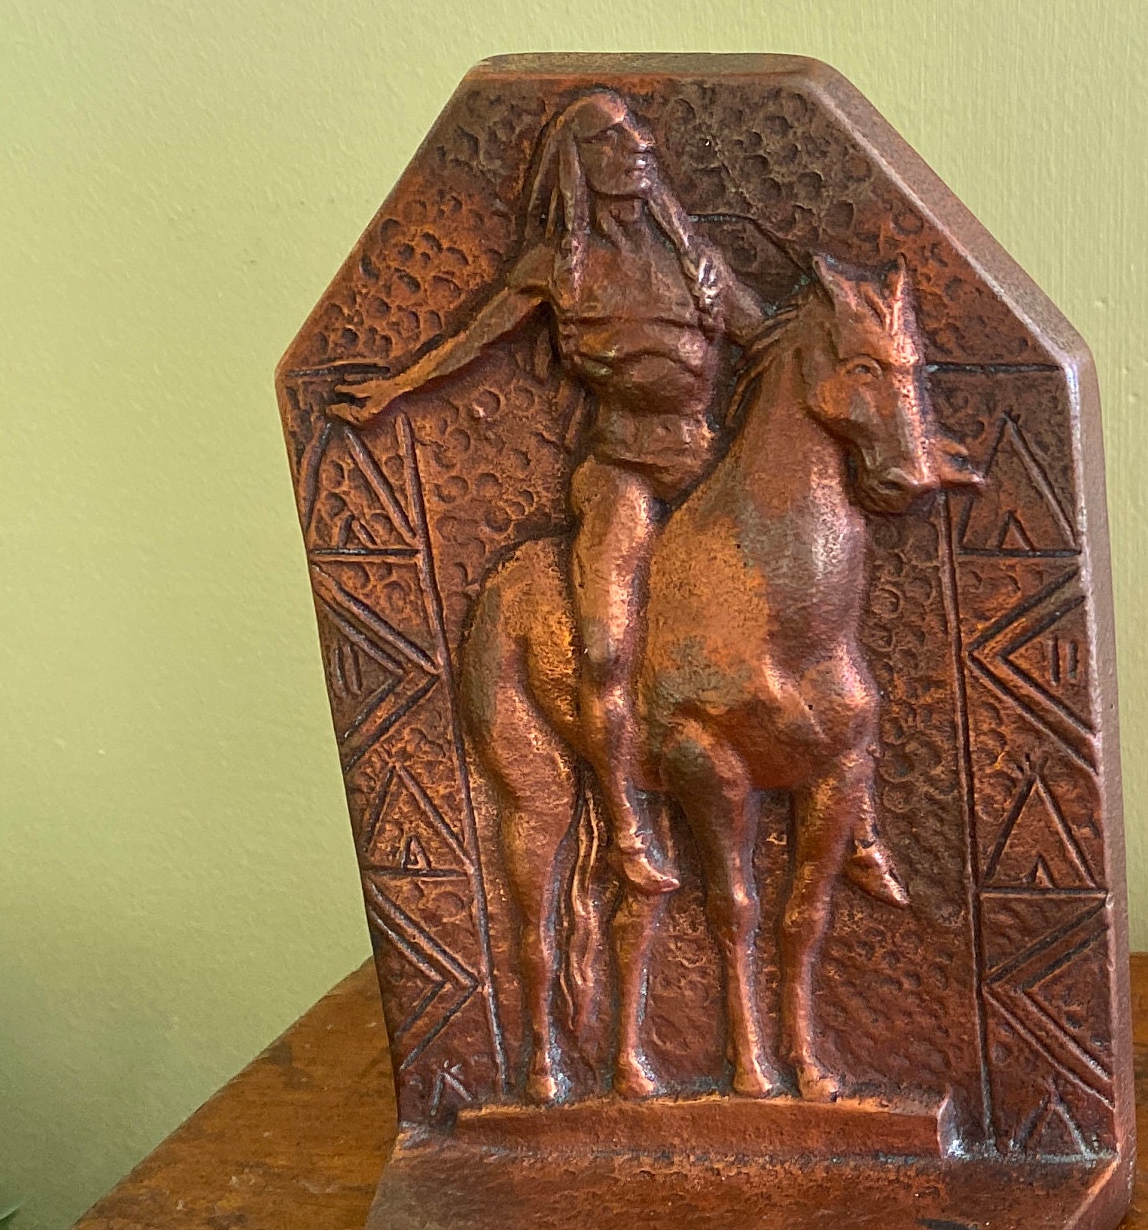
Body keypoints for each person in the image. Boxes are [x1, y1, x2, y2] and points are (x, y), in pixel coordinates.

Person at [334, 92, 902, 904]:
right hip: (624, 471)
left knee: (809, 620)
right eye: (613, 136)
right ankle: (625, 824)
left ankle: (861, 823)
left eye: (637, 131)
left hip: (707, 466)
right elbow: (474, 339)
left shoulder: (693, 258)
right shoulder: (556, 269)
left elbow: (768, 345)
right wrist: (396, 389)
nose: (637, 144)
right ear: (580, 161)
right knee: (603, 643)